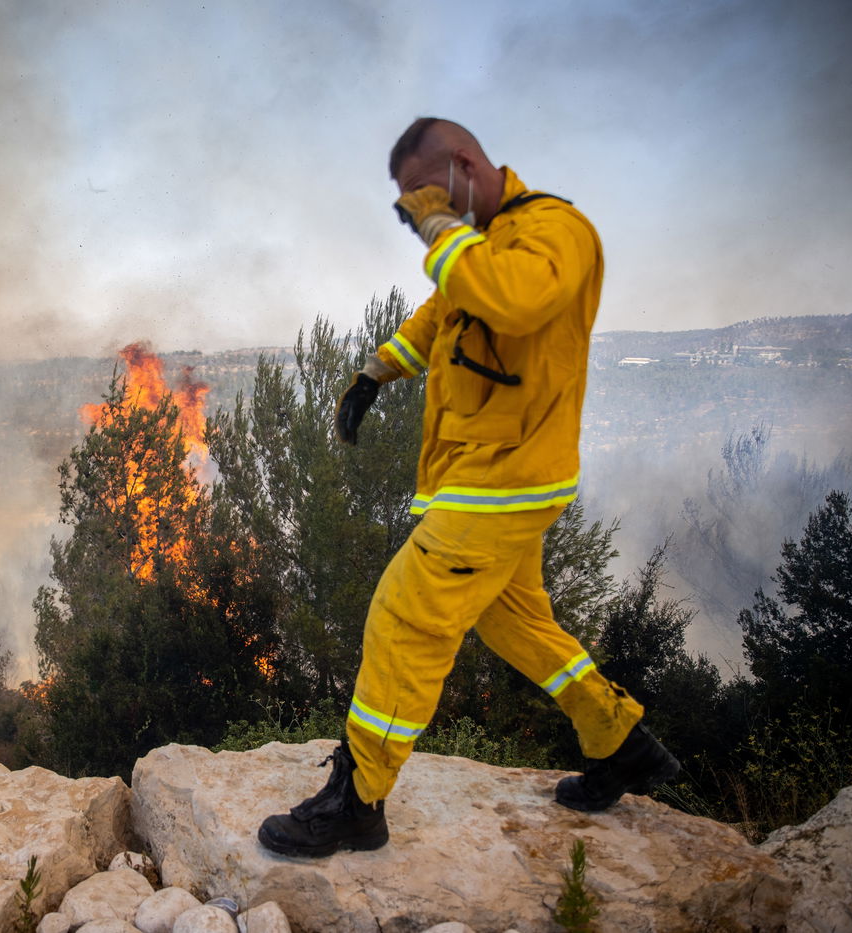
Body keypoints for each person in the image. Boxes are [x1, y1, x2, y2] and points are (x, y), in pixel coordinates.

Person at [257, 117, 679, 859]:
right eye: (408, 209)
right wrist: (375, 373)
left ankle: (358, 799)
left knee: (405, 613)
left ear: (461, 165)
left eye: (420, 198)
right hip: (481, 475)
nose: (418, 219)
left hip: (507, 479)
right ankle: (620, 741)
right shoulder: (483, 244)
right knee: (514, 623)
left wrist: (440, 228)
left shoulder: (554, 230)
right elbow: (442, 315)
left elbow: (509, 300)